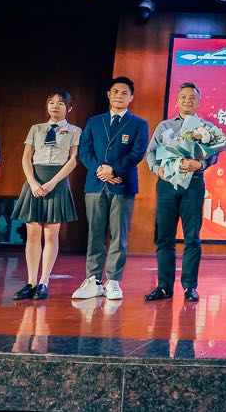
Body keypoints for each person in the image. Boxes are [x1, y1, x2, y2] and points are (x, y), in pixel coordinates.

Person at [72, 77, 148, 301]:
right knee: (95, 233)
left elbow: (137, 153)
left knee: (119, 235)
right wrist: (100, 170)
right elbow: (84, 151)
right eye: (115, 92)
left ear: (131, 97)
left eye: (124, 93)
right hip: (95, 184)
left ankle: (113, 280)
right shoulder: (95, 121)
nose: (119, 96)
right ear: (108, 95)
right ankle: (93, 280)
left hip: (122, 184)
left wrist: (113, 170)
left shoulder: (139, 124)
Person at [144, 82, 219, 303]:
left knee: (192, 238)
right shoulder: (164, 126)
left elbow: (214, 154)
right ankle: (164, 287)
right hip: (167, 184)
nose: (188, 101)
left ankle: (189, 287)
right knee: (164, 237)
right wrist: (156, 169)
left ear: (199, 102)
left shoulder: (206, 127)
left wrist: (201, 164)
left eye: (192, 98)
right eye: (183, 97)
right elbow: (151, 152)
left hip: (193, 184)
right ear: (176, 101)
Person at [11, 90, 81, 300]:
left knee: (51, 234)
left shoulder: (75, 131)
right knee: (32, 234)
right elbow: (26, 158)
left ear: (69, 108)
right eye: (51, 102)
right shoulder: (36, 128)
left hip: (56, 181)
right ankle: (31, 282)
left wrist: (52, 183)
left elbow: (73, 159)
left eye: (60, 103)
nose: (55, 106)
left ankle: (44, 282)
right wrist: (33, 182)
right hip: (35, 180)